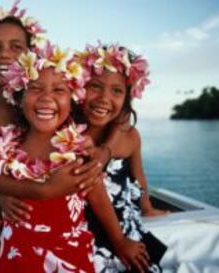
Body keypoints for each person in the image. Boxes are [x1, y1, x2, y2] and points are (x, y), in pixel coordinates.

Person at [0, 1, 106, 270]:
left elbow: (97, 132)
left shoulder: (43, 101)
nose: (4, 55)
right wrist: (35, 191)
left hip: (54, 207)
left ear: (31, 57)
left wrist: (96, 150)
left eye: (16, 47)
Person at [0, 44, 150, 273]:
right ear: (19, 97)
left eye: (59, 90)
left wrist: (119, 240)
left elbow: (98, 196)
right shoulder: (8, 148)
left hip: (67, 257)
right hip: (15, 257)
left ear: (71, 98)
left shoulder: (75, 149)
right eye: (35, 89)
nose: (46, 98)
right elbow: (0, 199)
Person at [79, 43, 167, 272]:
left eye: (117, 90)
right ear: (78, 87)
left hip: (126, 229)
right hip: (86, 231)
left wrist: (146, 207)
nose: (104, 98)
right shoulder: (71, 135)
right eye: (95, 86)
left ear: (127, 96)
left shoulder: (130, 136)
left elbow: (139, 178)